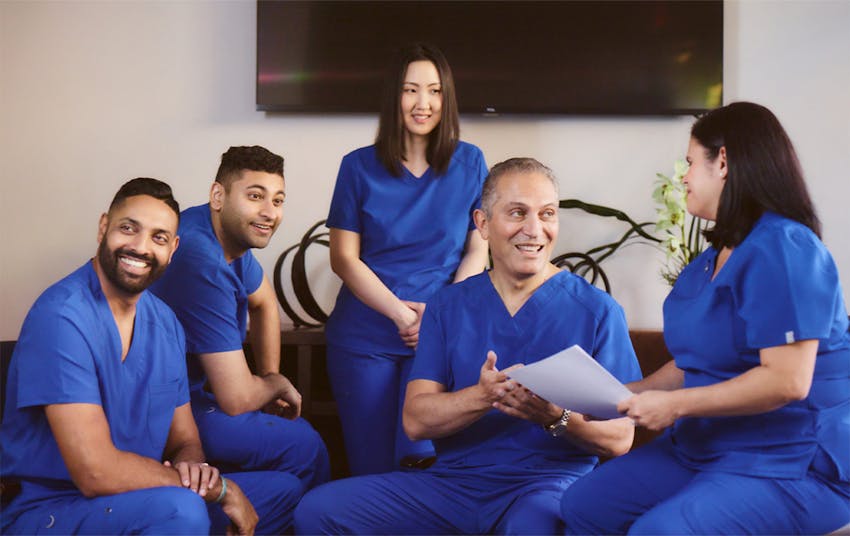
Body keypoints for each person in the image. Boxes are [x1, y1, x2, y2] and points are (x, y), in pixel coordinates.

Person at [295, 158, 642, 534]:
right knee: (319, 510)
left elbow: (620, 438)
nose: (534, 229)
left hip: (545, 488)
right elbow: (415, 420)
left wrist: (552, 415)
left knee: (537, 527)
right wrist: (483, 396)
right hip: (452, 487)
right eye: (517, 213)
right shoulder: (448, 306)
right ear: (482, 224)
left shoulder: (598, 311)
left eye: (547, 214)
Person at [560, 102, 850, 534]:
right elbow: (691, 363)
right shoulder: (708, 262)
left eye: (691, 162)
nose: (684, 175)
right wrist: (617, 397)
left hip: (790, 457)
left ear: (725, 162)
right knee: (584, 505)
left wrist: (673, 407)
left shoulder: (785, 247)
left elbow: (787, 381)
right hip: (708, 445)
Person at [0, 178, 302, 534]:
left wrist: (193, 468)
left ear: (173, 249)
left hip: (140, 498)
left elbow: (185, 440)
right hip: (52, 508)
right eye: (129, 229)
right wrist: (218, 490)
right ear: (103, 228)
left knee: (285, 493)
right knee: (183, 509)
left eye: (158, 238)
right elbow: (94, 472)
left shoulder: (166, 324)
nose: (141, 247)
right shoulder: (62, 316)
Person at [325, 42, 490, 476]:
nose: (423, 103)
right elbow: (344, 258)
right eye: (410, 90)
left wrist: (440, 313)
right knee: (370, 468)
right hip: (364, 338)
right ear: (393, 97)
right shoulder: (357, 167)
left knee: (422, 464)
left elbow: (478, 247)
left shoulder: (470, 162)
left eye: (434, 91)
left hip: (439, 335)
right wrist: (400, 314)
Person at [150, 146, 330, 490]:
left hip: (197, 396)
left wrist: (269, 374)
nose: (269, 213)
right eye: (255, 196)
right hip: (165, 408)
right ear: (218, 195)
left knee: (296, 438)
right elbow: (235, 398)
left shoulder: (226, 239)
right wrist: (276, 385)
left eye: (278, 201)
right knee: (306, 446)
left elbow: (264, 301)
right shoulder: (199, 257)